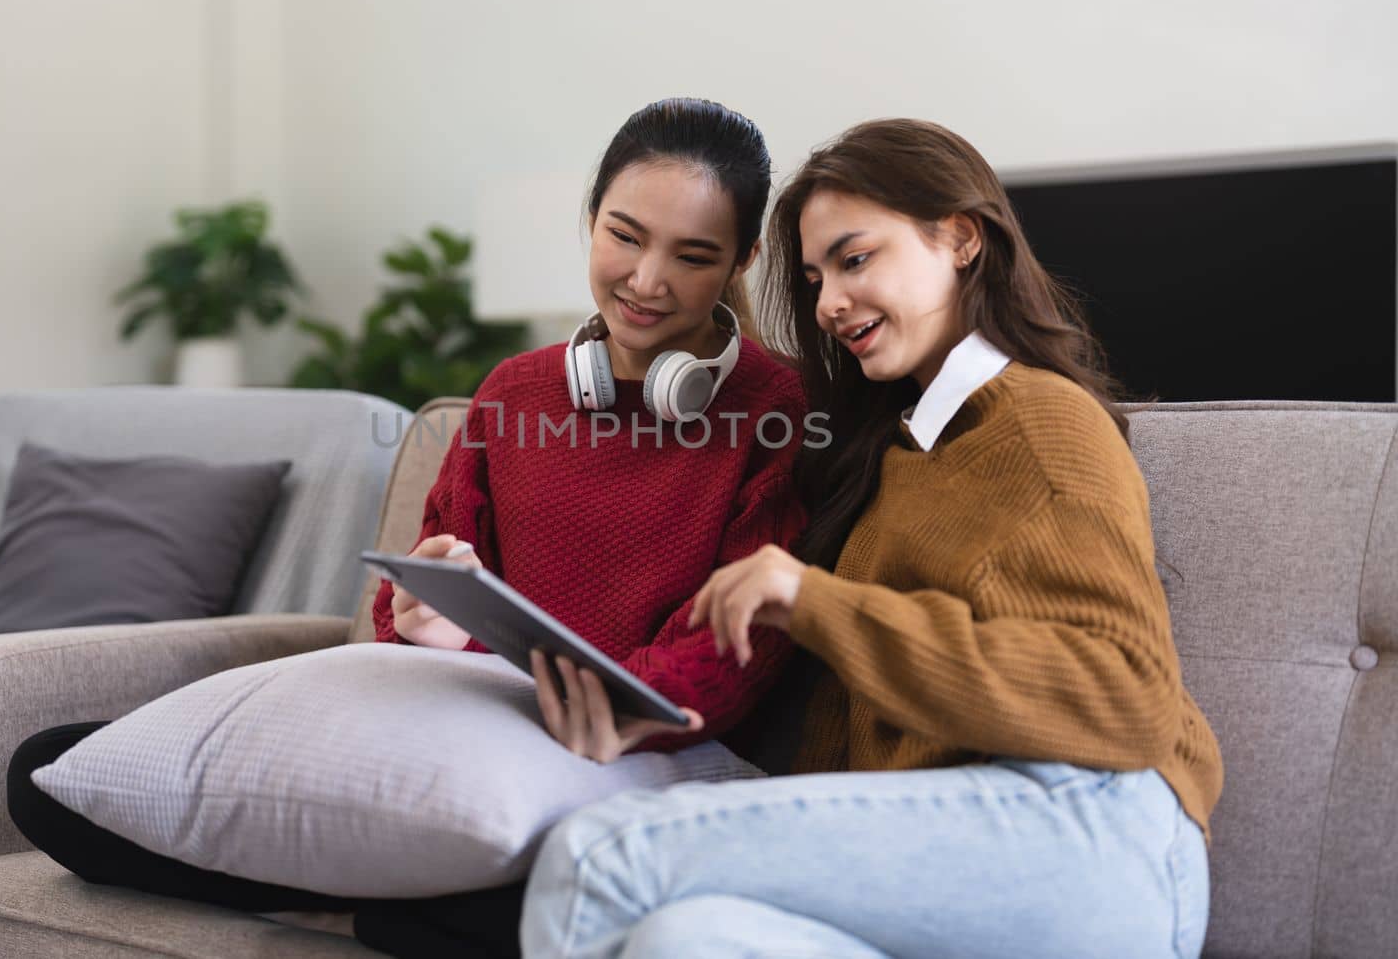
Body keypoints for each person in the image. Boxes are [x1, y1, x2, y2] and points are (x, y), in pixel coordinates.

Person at [6, 98, 808, 959]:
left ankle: (356, 905)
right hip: (483, 735)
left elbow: (750, 633)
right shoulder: (512, 394)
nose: (647, 280)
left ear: (742, 260)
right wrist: (426, 623)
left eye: (692, 257)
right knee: (45, 773)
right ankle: (388, 909)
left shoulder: (778, 407)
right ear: (589, 218)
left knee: (558, 893)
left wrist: (617, 712)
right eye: (624, 235)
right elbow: (416, 599)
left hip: (646, 751)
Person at [520, 118, 1225, 959]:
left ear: (961, 238)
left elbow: (1127, 699)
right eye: (817, 278)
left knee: (600, 852)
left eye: (856, 260)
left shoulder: (1042, 425)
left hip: (1100, 834)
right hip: (971, 854)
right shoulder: (900, 454)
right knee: (687, 939)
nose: (829, 304)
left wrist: (815, 601)